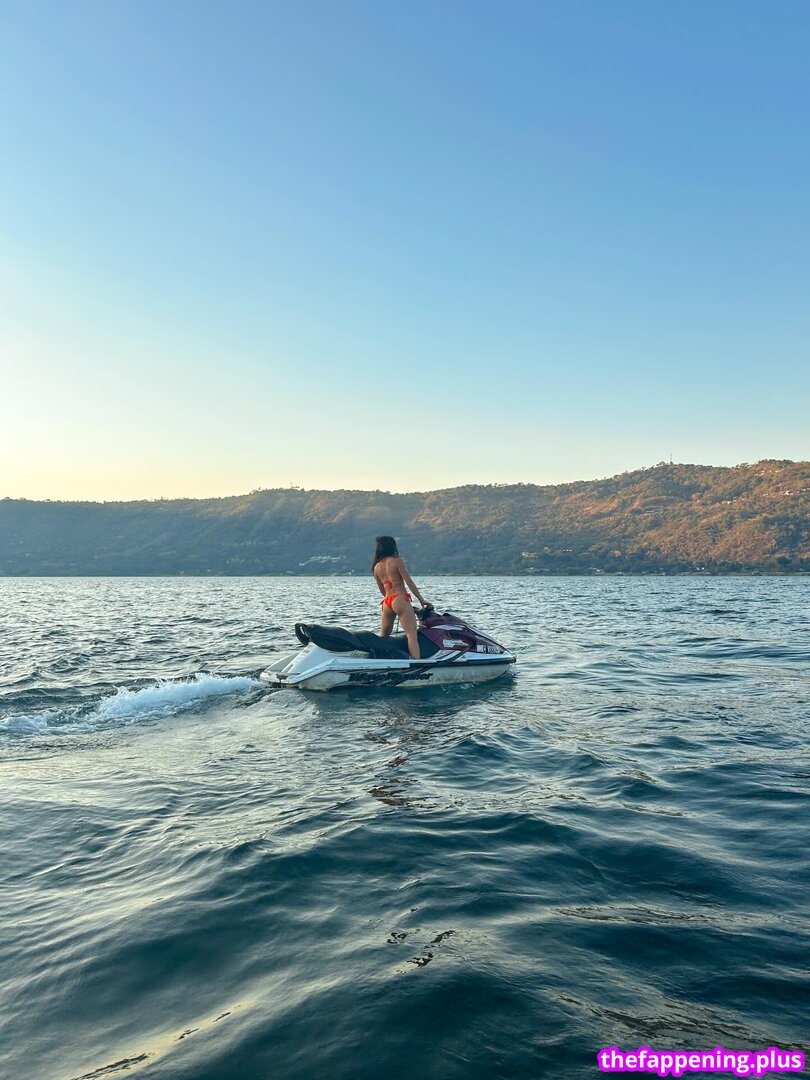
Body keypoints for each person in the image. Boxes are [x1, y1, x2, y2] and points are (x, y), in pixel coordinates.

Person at [371, 536, 430, 660]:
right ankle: (417, 662)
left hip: (387, 602)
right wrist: (421, 599)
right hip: (399, 598)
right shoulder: (397, 561)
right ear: (392, 547)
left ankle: (380, 660)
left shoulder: (376, 567)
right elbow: (409, 582)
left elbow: (382, 590)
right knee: (411, 635)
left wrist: (390, 600)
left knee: (384, 636)